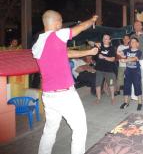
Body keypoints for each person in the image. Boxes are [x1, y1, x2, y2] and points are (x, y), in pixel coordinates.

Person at [32, 10, 98, 154]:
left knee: (49, 131)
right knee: (80, 128)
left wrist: (88, 52)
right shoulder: (58, 34)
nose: (62, 25)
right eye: (61, 22)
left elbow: (66, 53)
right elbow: (80, 28)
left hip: (48, 95)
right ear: (56, 24)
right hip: (65, 95)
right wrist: (92, 20)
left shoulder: (38, 44)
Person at [118, 37, 143, 111]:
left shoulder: (139, 51)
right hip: (128, 71)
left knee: (137, 86)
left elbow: (135, 59)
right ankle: (125, 102)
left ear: (137, 44)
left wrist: (125, 60)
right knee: (126, 86)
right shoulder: (127, 50)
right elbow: (119, 53)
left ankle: (140, 103)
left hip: (136, 72)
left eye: (134, 42)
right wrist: (120, 55)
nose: (133, 43)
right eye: (131, 42)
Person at [94, 33, 116, 104]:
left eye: (107, 38)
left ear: (109, 40)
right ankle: (98, 98)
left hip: (109, 70)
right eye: (104, 38)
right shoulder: (99, 47)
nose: (105, 40)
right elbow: (89, 42)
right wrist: (95, 44)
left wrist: (104, 57)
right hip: (99, 69)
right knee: (98, 84)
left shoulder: (112, 48)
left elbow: (112, 59)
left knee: (111, 84)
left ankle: (112, 98)